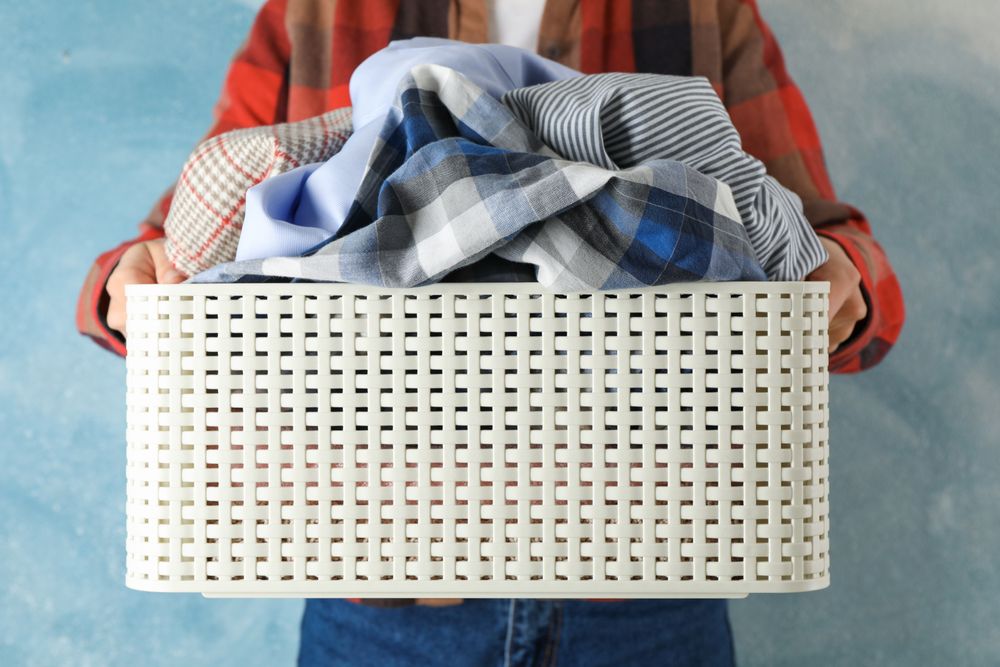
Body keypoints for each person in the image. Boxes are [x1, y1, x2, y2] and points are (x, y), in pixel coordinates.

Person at [77, 1, 905, 664]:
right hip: (379, 590)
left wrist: (840, 283)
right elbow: (189, 238)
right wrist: (129, 283)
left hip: (649, 584)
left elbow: (819, 244)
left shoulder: (703, 10)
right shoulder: (315, 11)